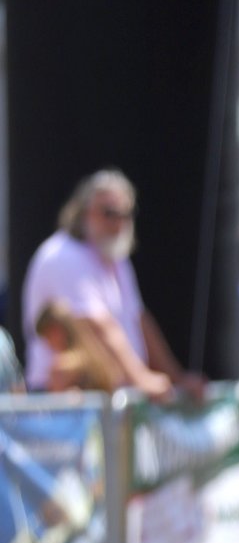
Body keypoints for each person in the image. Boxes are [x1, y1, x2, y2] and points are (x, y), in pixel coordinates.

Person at [22, 169, 190, 395]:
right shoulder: (63, 255)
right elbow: (98, 325)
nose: (118, 222)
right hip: (60, 398)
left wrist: (176, 379)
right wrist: (141, 378)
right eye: (109, 213)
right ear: (84, 212)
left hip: (104, 397)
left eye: (126, 213)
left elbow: (139, 319)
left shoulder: (117, 260)